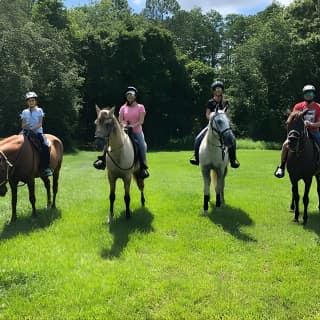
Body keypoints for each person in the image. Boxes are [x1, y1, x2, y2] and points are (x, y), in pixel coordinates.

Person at [93, 86, 150, 179]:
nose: (129, 97)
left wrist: (133, 125)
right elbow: (120, 120)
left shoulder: (140, 107)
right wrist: (124, 124)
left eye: (131, 95)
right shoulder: (123, 108)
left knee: (142, 145)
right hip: (124, 130)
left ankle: (143, 167)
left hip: (137, 131)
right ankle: (103, 161)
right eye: (128, 95)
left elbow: (141, 121)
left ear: (135, 96)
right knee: (109, 141)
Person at [189, 80, 240, 168]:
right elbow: (207, 114)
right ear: (214, 91)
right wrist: (212, 120)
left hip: (223, 127)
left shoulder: (225, 102)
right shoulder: (210, 102)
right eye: (216, 89)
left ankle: (233, 160)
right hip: (212, 126)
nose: (218, 90)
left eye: (219, 89)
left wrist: (226, 122)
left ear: (222, 90)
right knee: (198, 138)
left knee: (233, 140)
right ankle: (197, 158)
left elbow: (227, 114)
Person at [274, 84, 320, 178]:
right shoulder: (298, 106)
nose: (309, 95)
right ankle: (281, 166)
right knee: (285, 145)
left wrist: (311, 124)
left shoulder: (318, 107)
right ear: (303, 95)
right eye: (307, 93)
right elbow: (291, 119)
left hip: (314, 131)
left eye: (311, 93)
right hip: (298, 133)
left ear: (314, 95)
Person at [20, 91, 52, 176]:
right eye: (29, 101)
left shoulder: (39, 110)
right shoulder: (24, 112)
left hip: (37, 132)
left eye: (33, 100)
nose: (31, 102)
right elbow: (23, 125)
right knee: (17, 143)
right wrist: (25, 126)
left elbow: (40, 124)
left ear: (35, 101)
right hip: (26, 132)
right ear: (27, 102)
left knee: (45, 145)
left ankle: (46, 167)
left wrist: (31, 129)